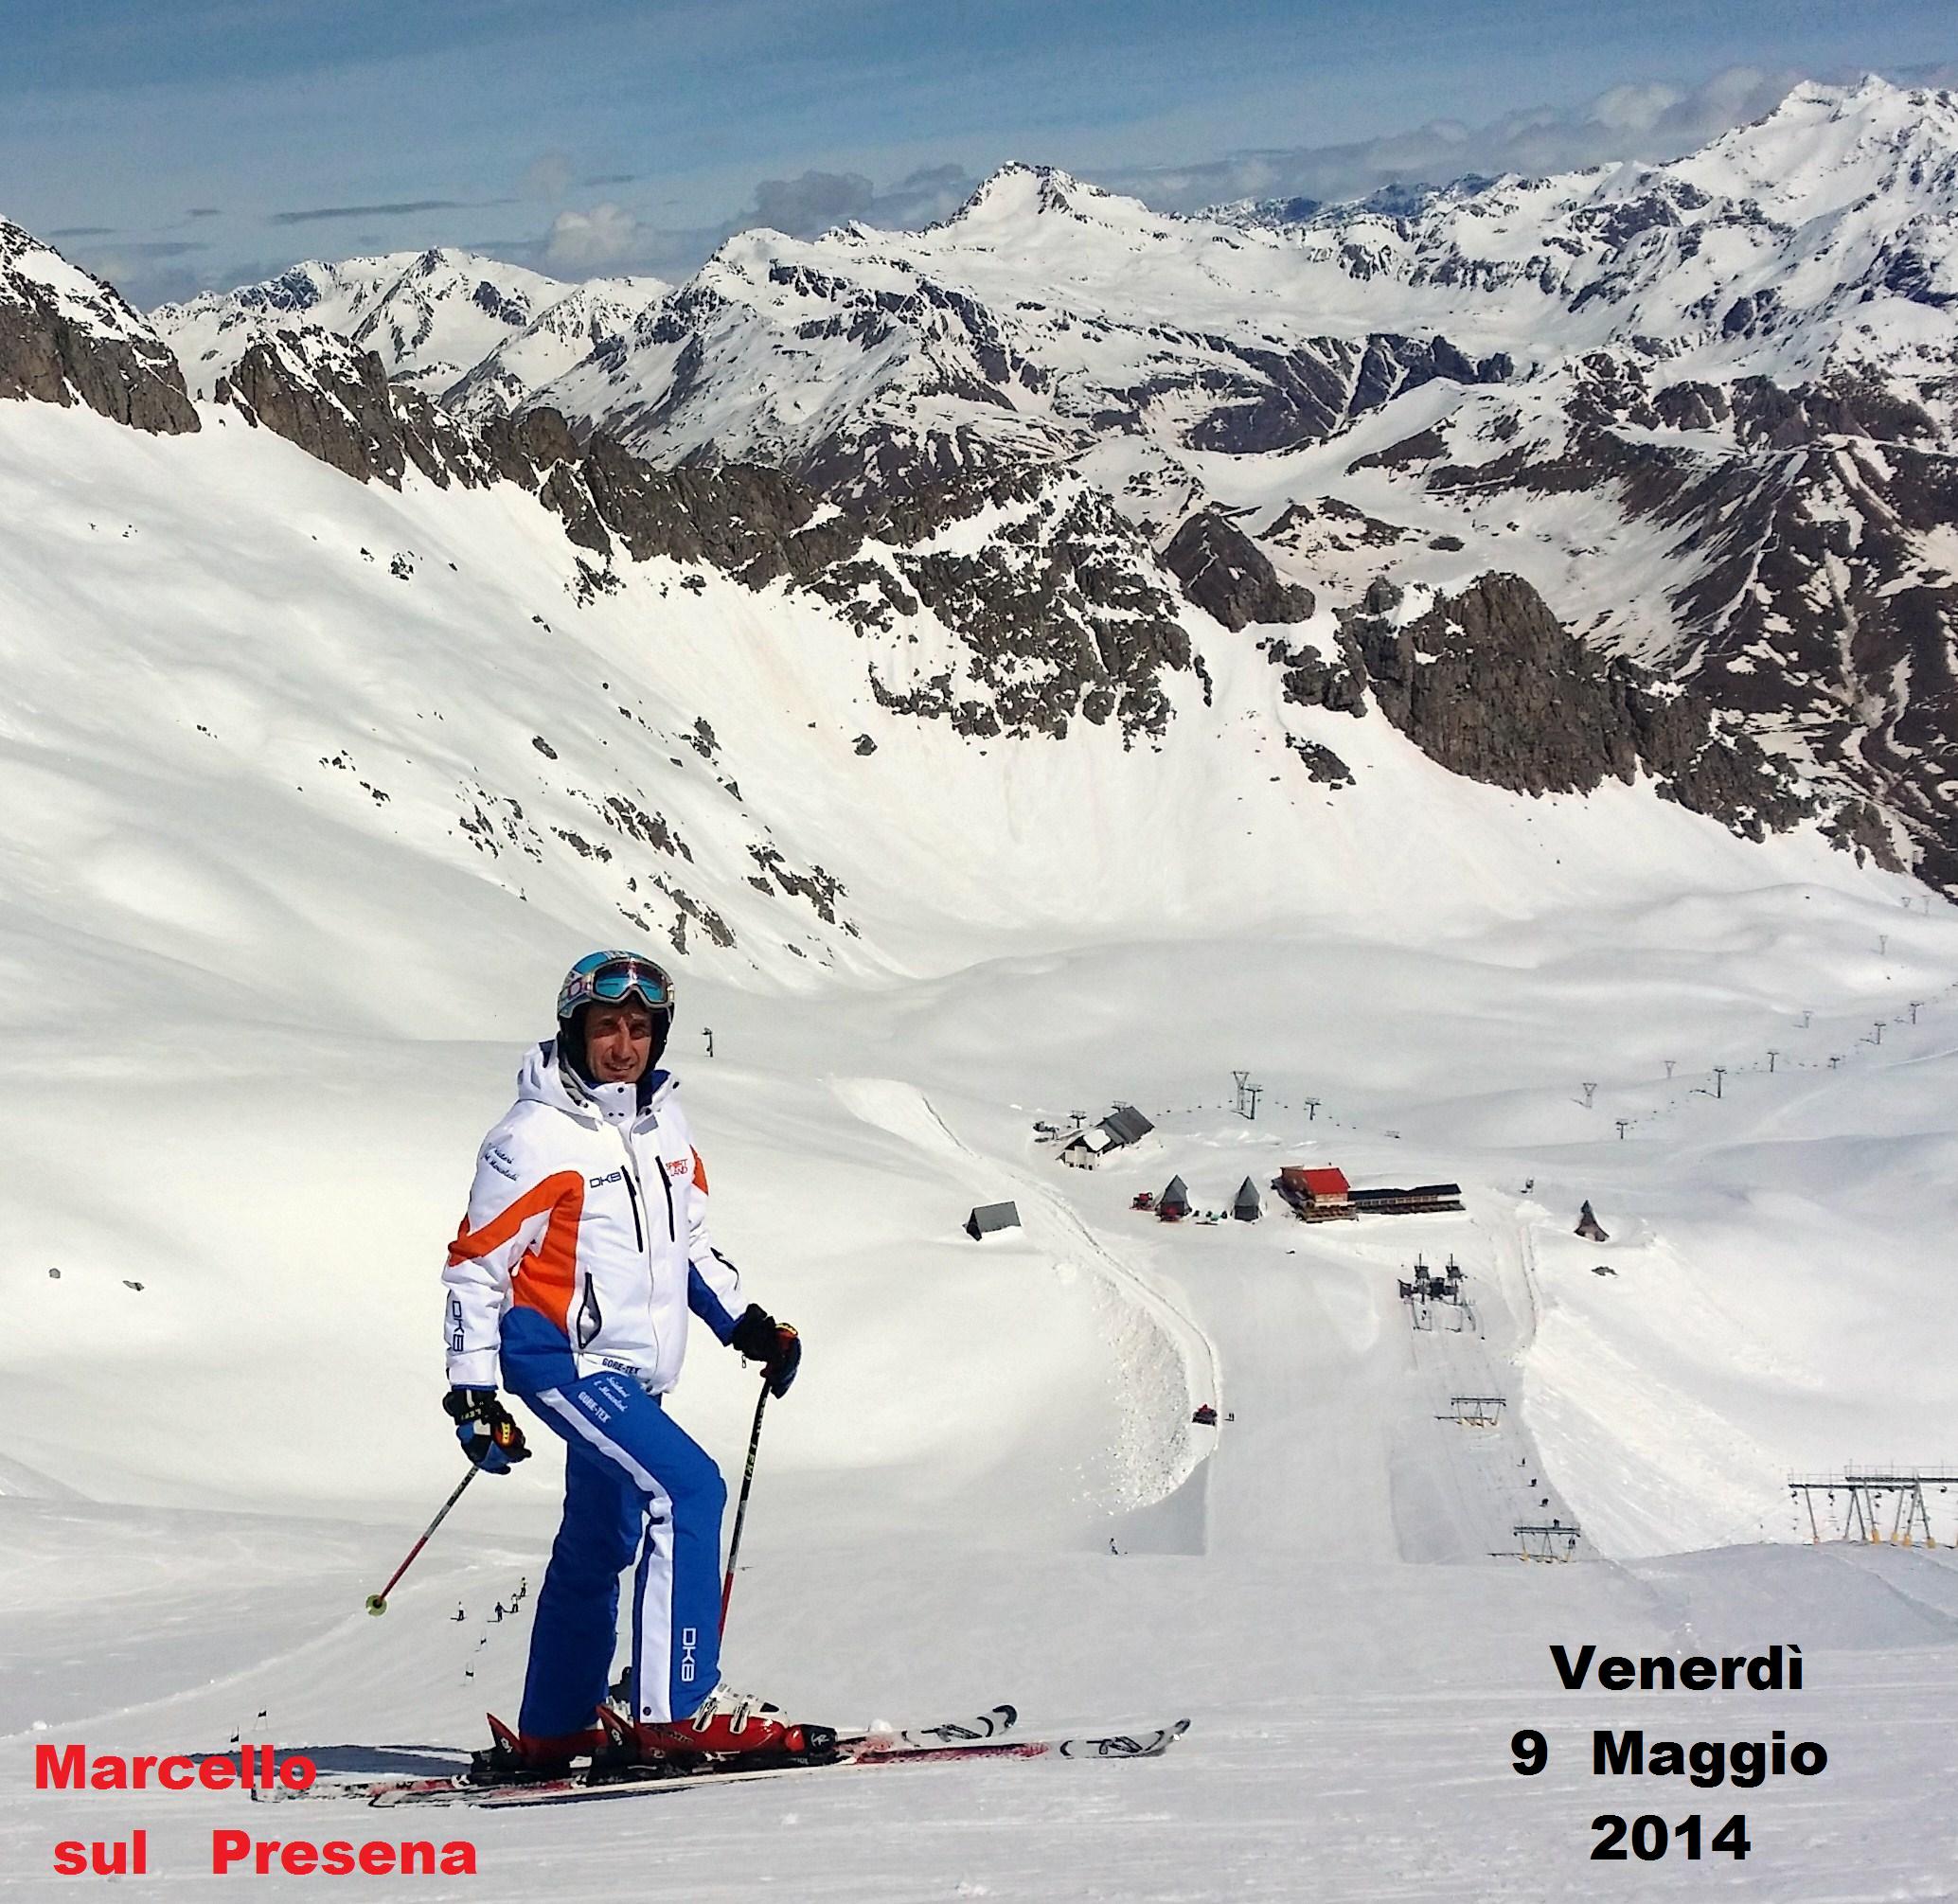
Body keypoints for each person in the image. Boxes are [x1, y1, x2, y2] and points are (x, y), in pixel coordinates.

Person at [439, 951, 822, 1778]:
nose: (623, 1045)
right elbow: (476, 1266)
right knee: (689, 1487)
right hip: (564, 1358)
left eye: (640, 1028)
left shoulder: (664, 1127)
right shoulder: (531, 1137)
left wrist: (748, 1326)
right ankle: (676, 1709)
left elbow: (687, 1246)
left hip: (636, 1373)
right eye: (607, 1025)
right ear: (574, 1028)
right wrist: (471, 1392)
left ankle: (555, 1726)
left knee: (598, 1540)